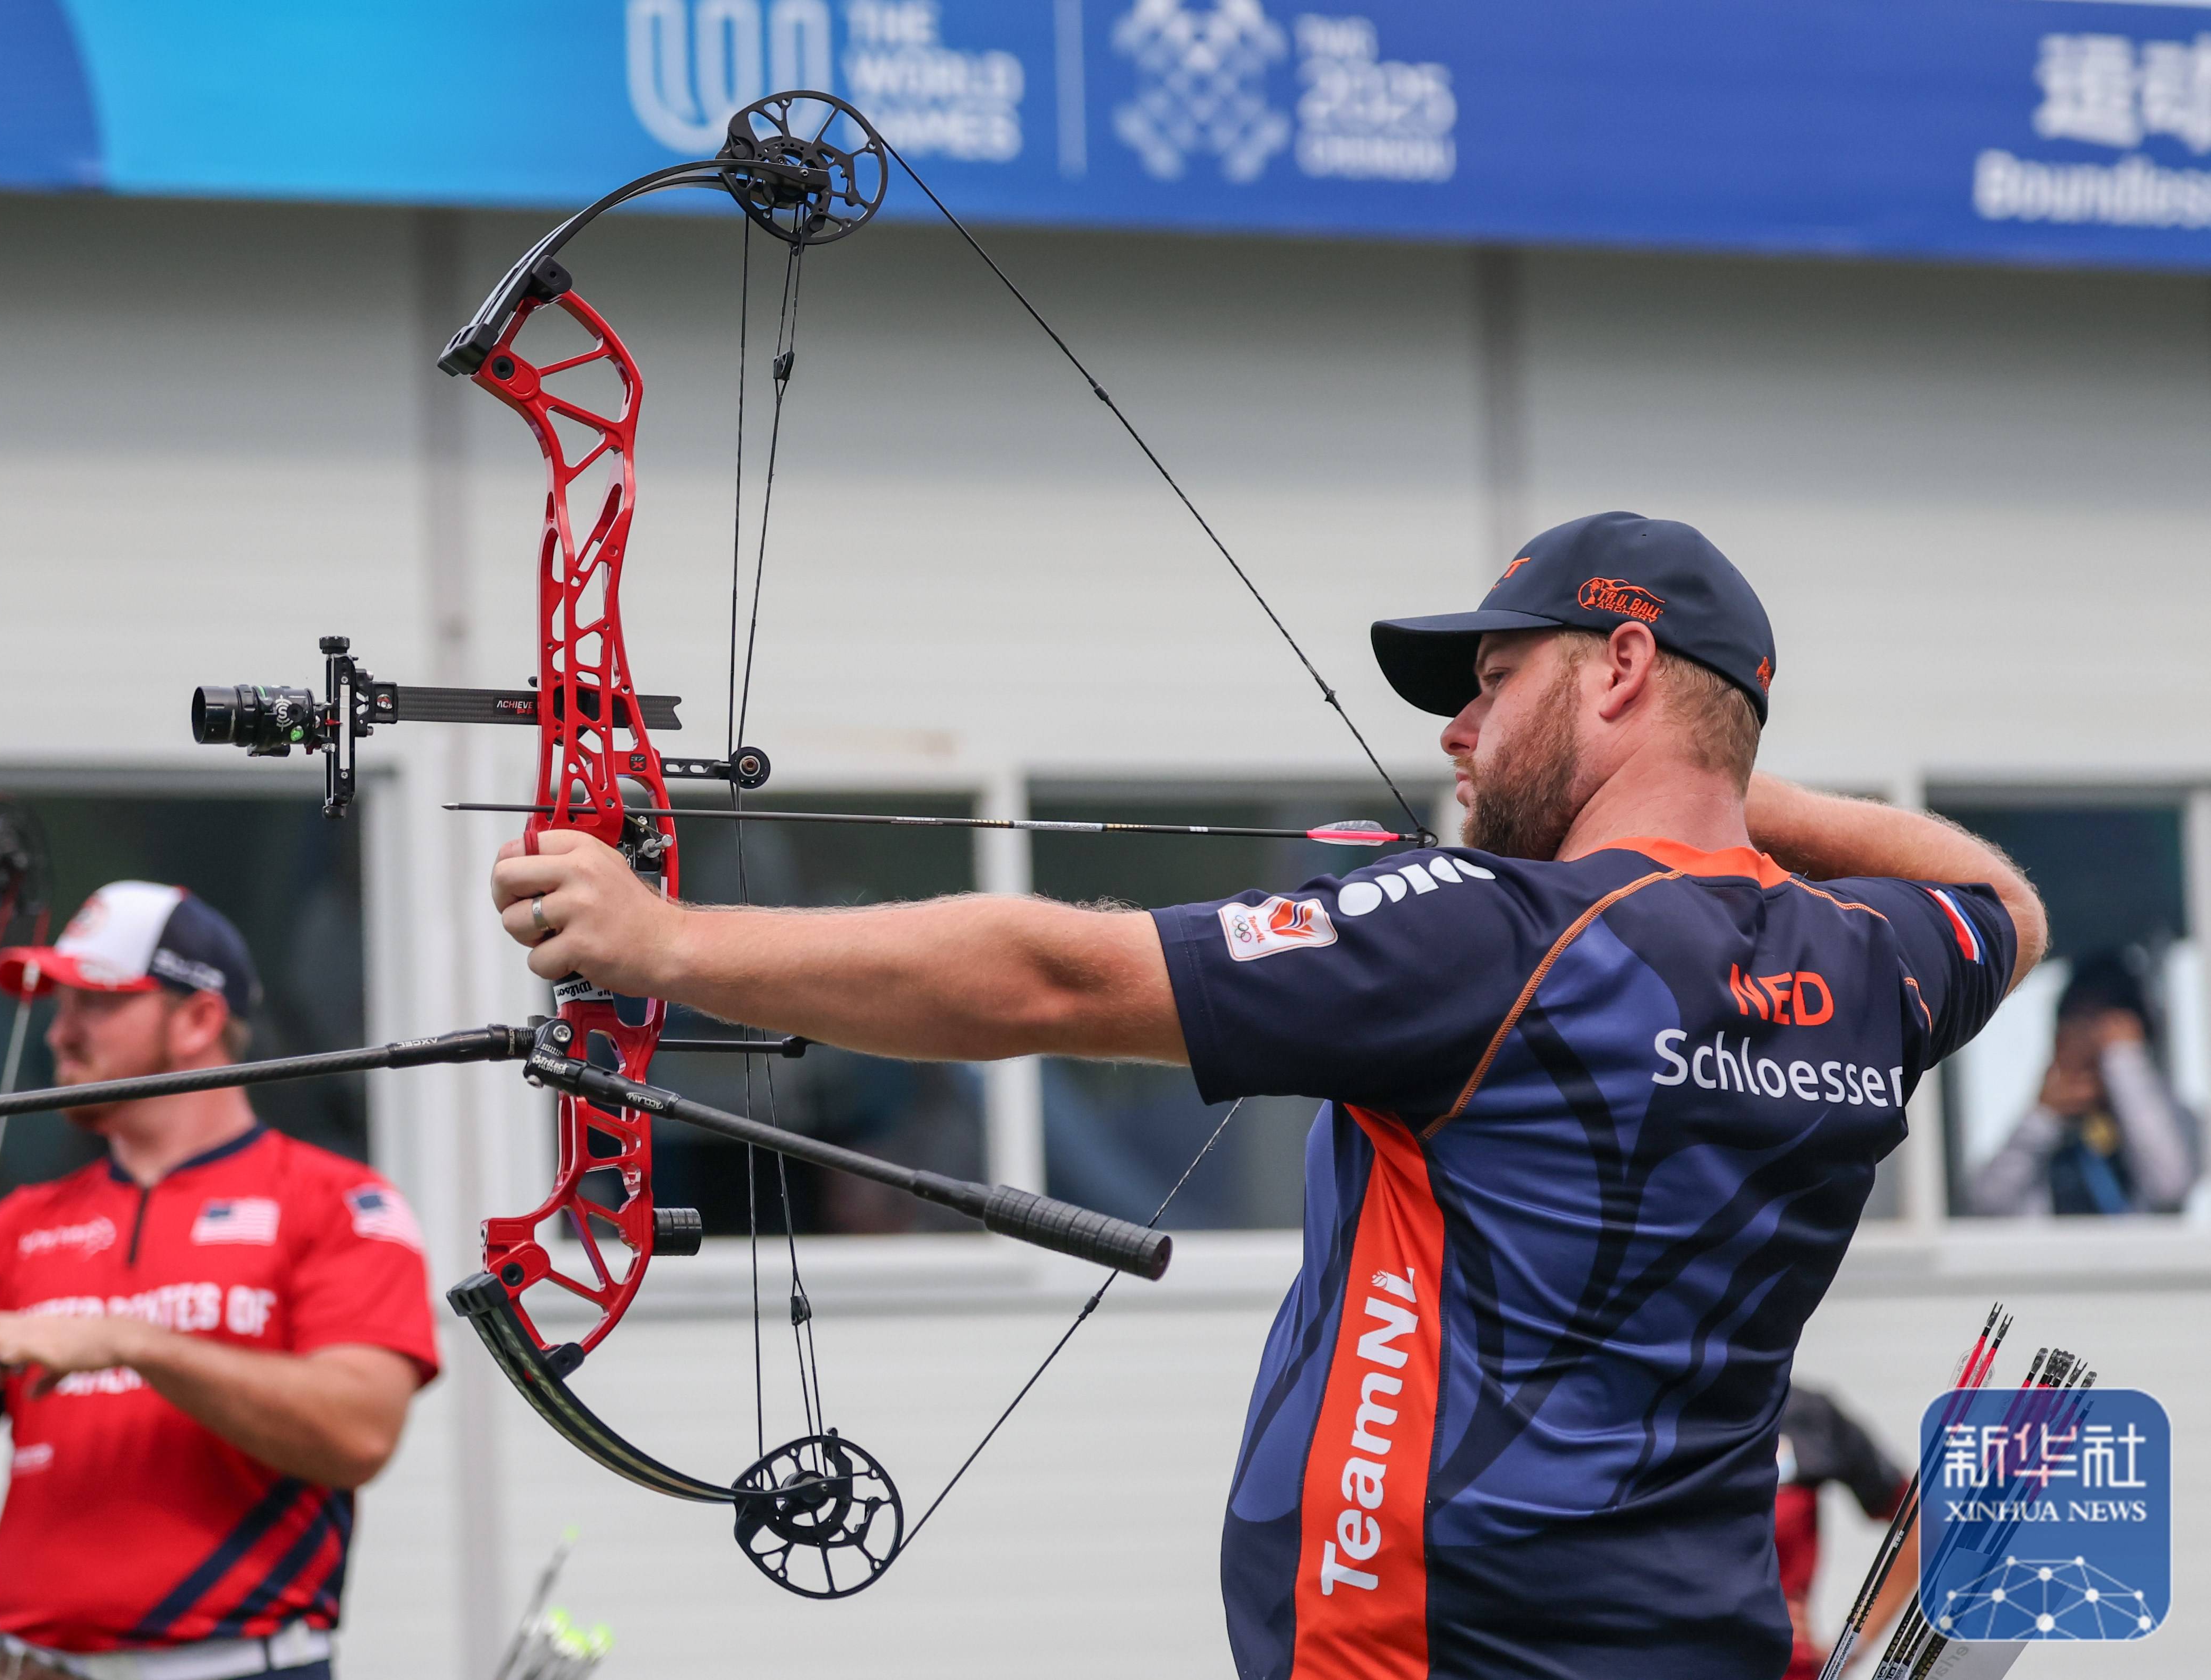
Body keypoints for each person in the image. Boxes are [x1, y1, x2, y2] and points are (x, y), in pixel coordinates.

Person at [489, 511, 2044, 1679]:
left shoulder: (1497, 933)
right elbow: (2002, 900)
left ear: (1621, 666)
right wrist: (1714, 786)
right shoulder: (1866, 967)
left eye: (1496, 681)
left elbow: (1055, 979)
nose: (1455, 728)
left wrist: (665, 940)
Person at [0, 881, 438, 1680]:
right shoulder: (23, 1222)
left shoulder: (338, 1201)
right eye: (58, 1004)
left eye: (95, 1003)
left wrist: (128, 1341)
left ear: (197, 1019)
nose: (59, 1033)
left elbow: (360, 1433)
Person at [1966, 946, 2198, 1216]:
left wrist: (2125, 1068)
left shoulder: (2176, 1120)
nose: (2091, 1047)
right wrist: (2043, 1117)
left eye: (2107, 1034)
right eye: (2078, 1026)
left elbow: (2170, 1187)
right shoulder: (2045, 1131)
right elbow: (1985, 1203)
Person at [1775, 1385, 1914, 1679]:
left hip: (1785, 1669)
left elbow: (1921, 1523)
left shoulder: (1806, 1412)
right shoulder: (1658, 1411)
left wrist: (1853, 1646)